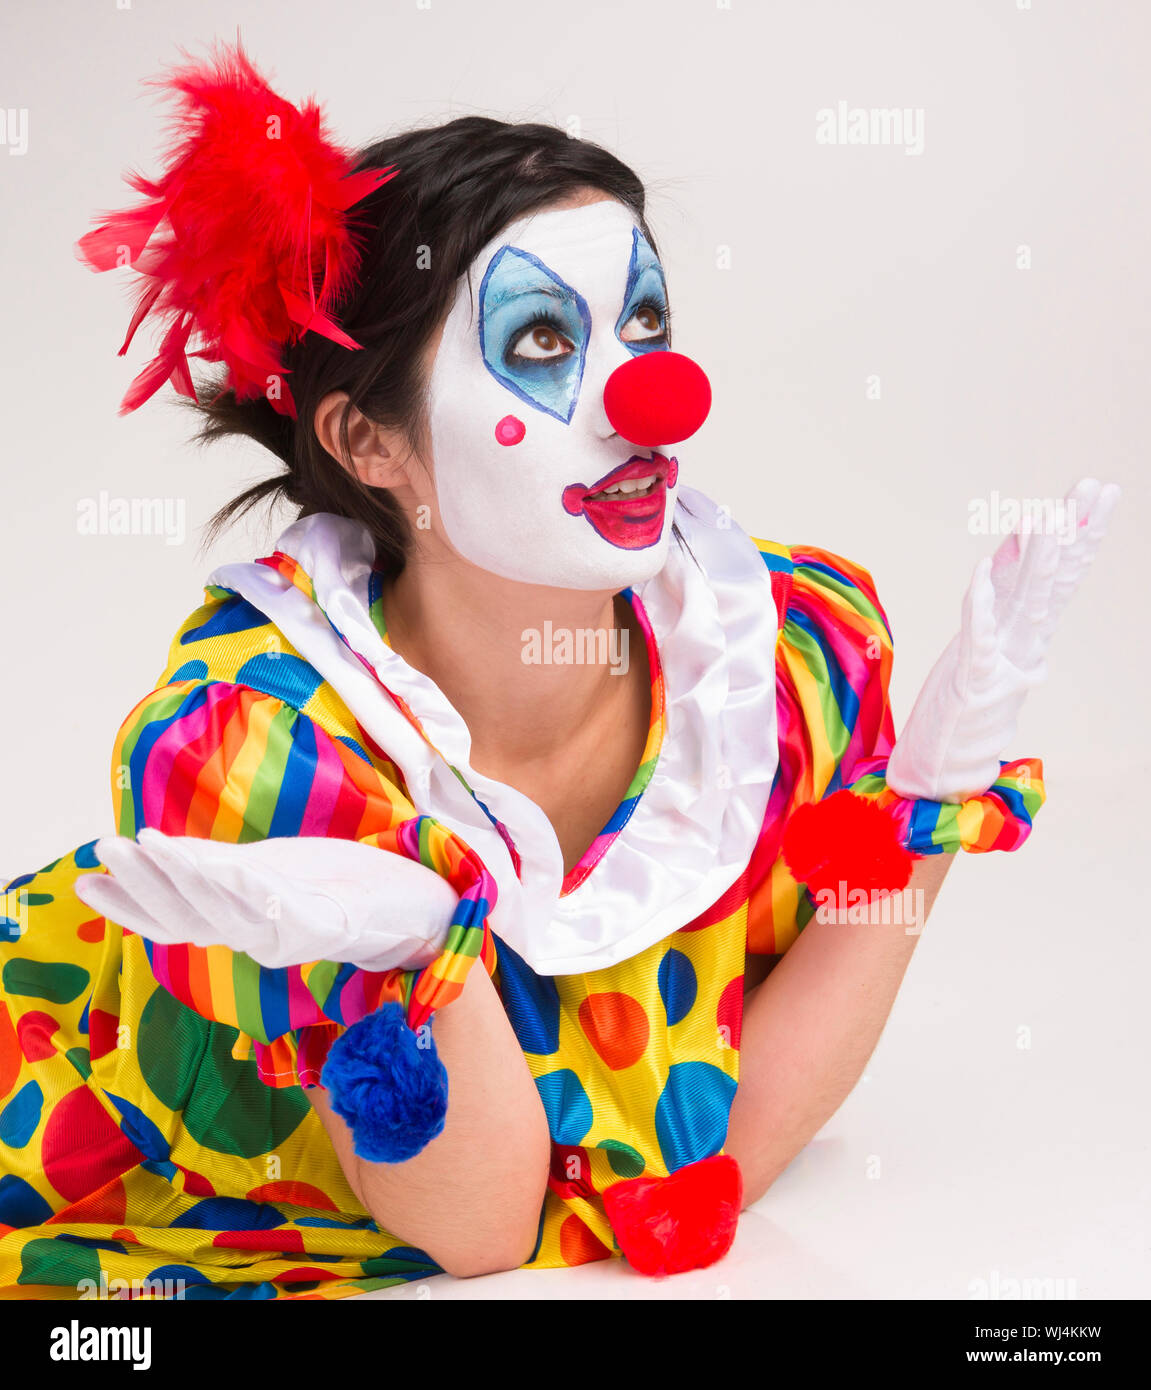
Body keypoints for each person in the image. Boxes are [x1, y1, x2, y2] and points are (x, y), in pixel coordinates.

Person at [0, 41, 1116, 1300]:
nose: (651, 394)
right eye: (540, 339)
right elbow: (477, 1230)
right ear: (371, 441)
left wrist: (934, 800)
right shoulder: (255, 758)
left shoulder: (779, 662)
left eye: (643, 321)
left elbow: (719, 1150)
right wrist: (415, 950)